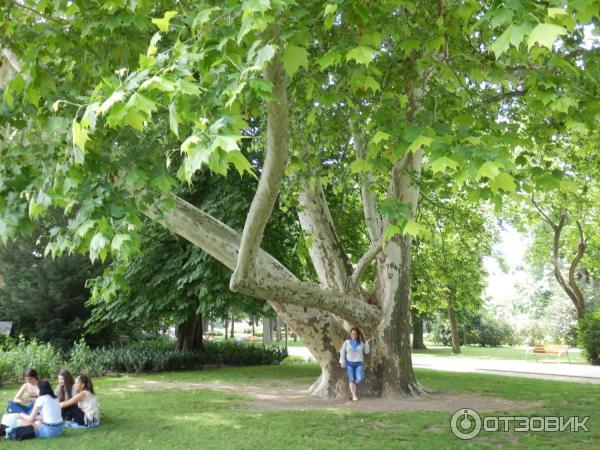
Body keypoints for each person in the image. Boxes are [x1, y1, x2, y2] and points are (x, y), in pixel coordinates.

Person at [339, 328, 371, 401]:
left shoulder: (361, 343)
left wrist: (367, 343)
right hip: (349, 364)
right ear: (350, 334)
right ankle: (353, 396)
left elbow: (366, 352)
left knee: (360, 378)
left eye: (355, 334)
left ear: (357, 335)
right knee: (351, 379)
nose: (353, 335)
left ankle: (353, 386)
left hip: (359, 364)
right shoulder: (346, 342)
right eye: (352, 333)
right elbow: (342, 352)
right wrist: (342, 362)